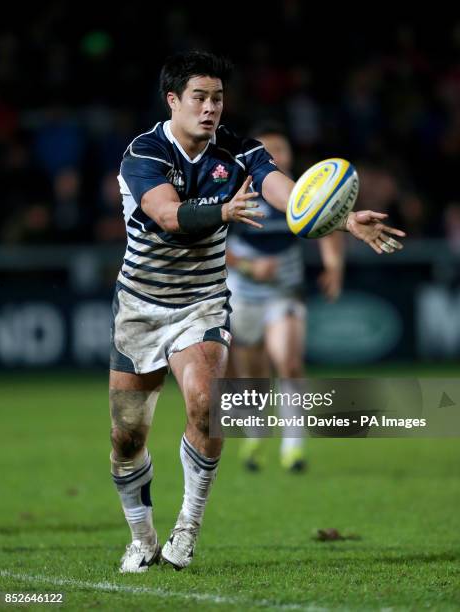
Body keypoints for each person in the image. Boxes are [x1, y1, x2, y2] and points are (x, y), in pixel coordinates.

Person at [109, 50, 405, 574]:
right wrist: (222, 211)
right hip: (140, 308)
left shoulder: (240, 152)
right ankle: (141, 536)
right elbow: (166, 214)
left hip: (201, 304)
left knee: (205, 403)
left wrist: (338, 219)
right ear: (173, 100)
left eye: (217, 98)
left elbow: (288, 198)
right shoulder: (145, 154)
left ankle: (187, 529)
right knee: (127, 437)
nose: (210, 108)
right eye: (198, 97)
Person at [226, 122, 344, 473]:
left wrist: (333, 266)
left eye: (283, 148)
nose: (278, 155)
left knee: (288, 362)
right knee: (253, 375)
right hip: (243, 294)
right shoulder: (239, 189)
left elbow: (327, 224)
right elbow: (209, 243)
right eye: (270, 149)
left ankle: (294, 446)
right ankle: (257, 429)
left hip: (284, 293)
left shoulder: (301, 193)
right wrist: (248, 266)